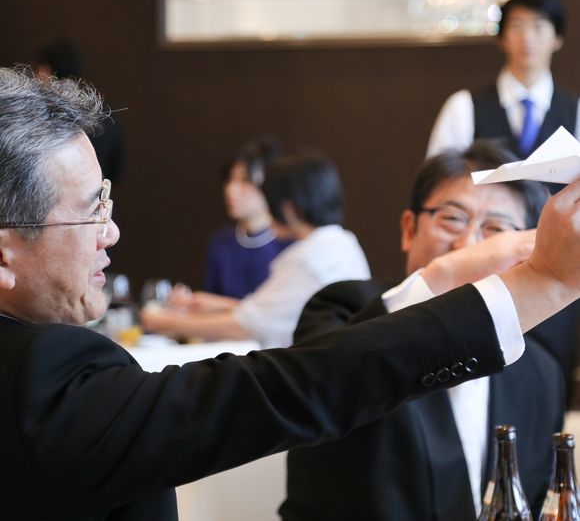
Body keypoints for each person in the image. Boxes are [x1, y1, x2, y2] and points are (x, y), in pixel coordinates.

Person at [1, 67, 580, 521]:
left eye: (107, 202)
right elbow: (296, 385)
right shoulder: (39, 378)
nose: (111, 232)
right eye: (91, 212)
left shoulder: (540, 373)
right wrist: (542, 281)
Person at [281, 141, 573, 521]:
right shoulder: (341, 310)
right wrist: (445, 274)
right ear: (409, 229)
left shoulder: (540, 373)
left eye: (496, 229)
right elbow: (321, 392)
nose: (470, 244)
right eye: (452, 219)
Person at [141, 151, 371, 348]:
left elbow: (250, 325)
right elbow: (278, 312)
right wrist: (215, 305)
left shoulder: (308, 260)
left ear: (289, 208)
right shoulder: (342, 243)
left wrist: (162, 322)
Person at [427, 0, 580, 159]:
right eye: (517, 26)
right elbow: (441, 173)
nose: (527, 37)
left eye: (538, 26)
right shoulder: (463, 107)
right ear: (502, 38)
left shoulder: (576, 111)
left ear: (557, 38)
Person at [204, 138, 292, 299]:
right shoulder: (221, 242)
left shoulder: (290, 245)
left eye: (245, 180)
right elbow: (209, 302)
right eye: (230, 179)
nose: (231, 189)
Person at [33, 38, 125, 184]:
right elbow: (116, 170)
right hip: (99, 193)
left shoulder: (39, 113)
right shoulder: (106, 112)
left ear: (45, 71)